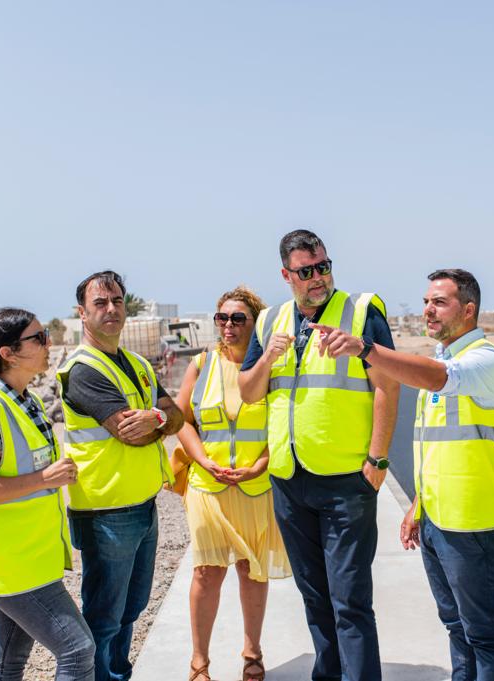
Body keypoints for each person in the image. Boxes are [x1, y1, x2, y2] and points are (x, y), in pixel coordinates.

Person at [313, 268, 494, 680]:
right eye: (426, 301)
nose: (428, 310)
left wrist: (364, 348)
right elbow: (435, 452)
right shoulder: (442, 360)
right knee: (457, 627)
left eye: (439, 302)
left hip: (472, 523)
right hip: (437, 521)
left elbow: (439, 378)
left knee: (483, 633)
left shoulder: (485, 361)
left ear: (469, 309)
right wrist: (417, 510)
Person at [238, 229, 400, 681]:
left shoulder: (363, 310)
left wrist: (378, 459)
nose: (318, 277)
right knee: (315, 596)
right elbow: (248, 392)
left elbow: (388, 384)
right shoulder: (270, 321)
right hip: (291, 481)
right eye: (307, 271)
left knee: (349, 599)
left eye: (324, 266)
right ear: (286, 274)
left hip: (347, 479)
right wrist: (267, 359)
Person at [56, 271, 185, 681]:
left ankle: (117, 674)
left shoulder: (138, 364)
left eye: (116, 301)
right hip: (106, 511)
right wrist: (157, 420)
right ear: (82, 313)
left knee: (131, 609)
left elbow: (179, 417)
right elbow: (126, 434)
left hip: (141, 504)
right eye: (100, 303)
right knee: (105, 617)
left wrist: (159, 417)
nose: (111, 310)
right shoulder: (82, 369)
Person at [0, 308, 94, 681]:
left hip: (27, 560)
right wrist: (45, 478)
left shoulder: (23, 400)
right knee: (78, 651)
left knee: (8, 662)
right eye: (39, 338)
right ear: (8, 353)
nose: (49, 343)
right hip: (11, 566)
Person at [174, 286, 291, 681]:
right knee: (207, 572)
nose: (228, 325)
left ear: (254, 323)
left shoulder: (270, 367)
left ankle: (252, 652)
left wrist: (260, 465)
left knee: (251, 569)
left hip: (256, 487)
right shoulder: (202, 363)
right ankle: (199, 662)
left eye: (237, 318)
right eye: (221, 318)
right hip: (207, 486)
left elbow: (284, 424)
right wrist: (204, 460)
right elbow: (183, 421)